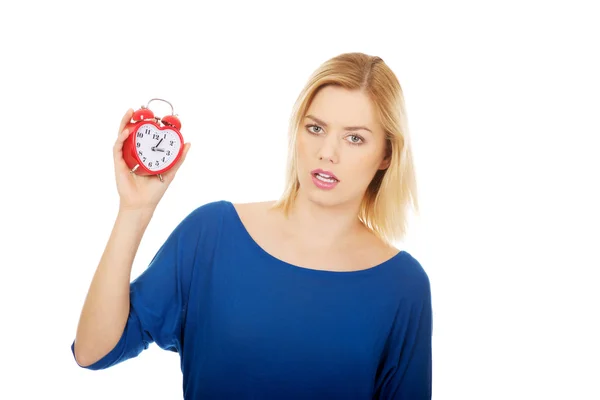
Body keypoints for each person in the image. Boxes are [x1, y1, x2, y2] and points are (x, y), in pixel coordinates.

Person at [71, 52, 432, 399]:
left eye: (354, 138)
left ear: (386, 154)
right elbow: (93, 350)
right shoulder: (212, 234)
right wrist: (135, 210)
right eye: (316, 128)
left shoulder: (403, 287)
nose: (327, 152)